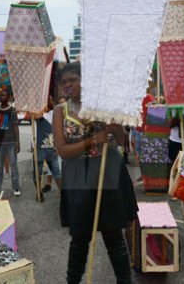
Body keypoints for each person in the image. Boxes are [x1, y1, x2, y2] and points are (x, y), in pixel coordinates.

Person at [52, 62, 137, 284]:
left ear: (84, 81)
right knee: (79, 237)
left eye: (73, 80)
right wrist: (91, 141)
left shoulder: (103, 107)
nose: (68, 85)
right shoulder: (60, 111)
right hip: (77, 176)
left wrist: (112, 123)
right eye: (65, 82)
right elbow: (62, 150)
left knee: (113, 236)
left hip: (107, 171)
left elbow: (121, 141)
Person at [0, 90, 21, 197]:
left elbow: (15, 127)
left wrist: (18, 142)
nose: (2, 97)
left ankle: (16, 187)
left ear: (9, 97)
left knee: (13, 165)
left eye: (4, 95)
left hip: (10, 142)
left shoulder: (12, 111)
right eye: (0, 95)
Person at [32, 96, 61, 201]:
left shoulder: (58, 114)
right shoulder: (41, 114)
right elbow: (37, 115)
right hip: (40, 149)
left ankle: (62, 193)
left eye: (52, 99)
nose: (50, 101)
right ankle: (39, 193)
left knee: (57, 172)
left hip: (52, 149)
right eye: (48, 99)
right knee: (37, 173)